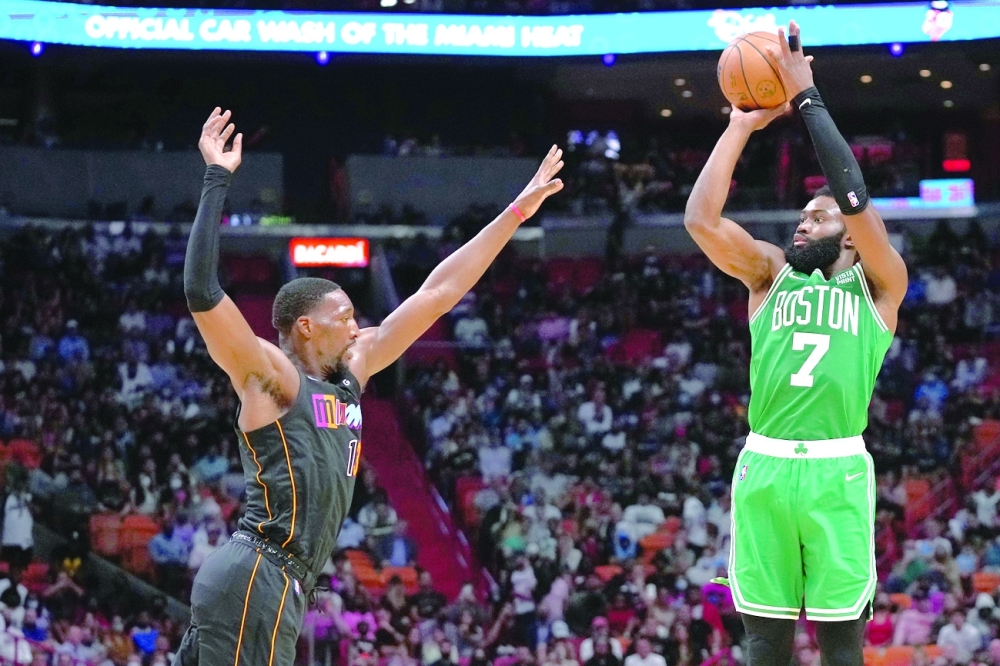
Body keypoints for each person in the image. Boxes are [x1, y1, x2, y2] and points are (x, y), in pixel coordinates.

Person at [173, 107, 565, 666]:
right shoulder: (272, 376)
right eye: (346, 316)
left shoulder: (355, 368)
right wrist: (217, 177)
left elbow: (438, 292)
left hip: (277, 583)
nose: (358, 326)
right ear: (306, 326)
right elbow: (201, 290)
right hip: (257, 573)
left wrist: (518, 210)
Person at [683, 21, 907, 666]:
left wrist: (808, 99)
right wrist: (740, 126)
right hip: (765, 463)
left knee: (842, 647)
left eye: (819, 215)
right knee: (765, 643)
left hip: (837, 468)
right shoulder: (767, 275)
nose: (802, 221)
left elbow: (855, 196)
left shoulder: (881, 287)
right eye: (803, 215)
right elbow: (701, 220)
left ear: (849, 233)